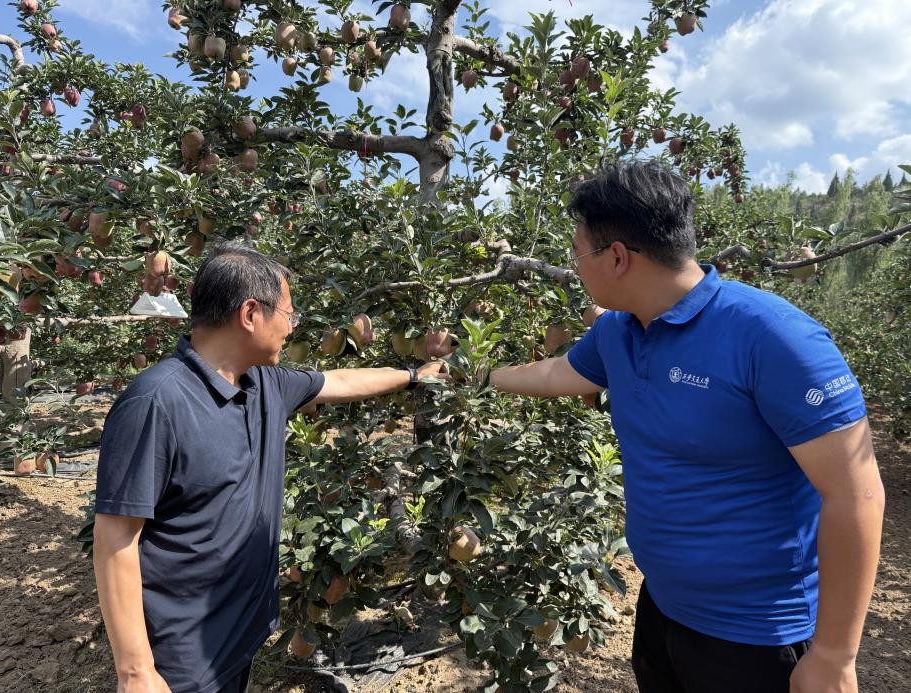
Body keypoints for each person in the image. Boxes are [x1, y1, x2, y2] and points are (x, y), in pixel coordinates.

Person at [488, 160, 884, 693]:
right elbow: (559, 373)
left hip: (759, 635)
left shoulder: (774, 338)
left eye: (579, 253)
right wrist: (477, 374)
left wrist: (835, 656)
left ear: (618, 257)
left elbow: (856, 493)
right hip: (663, 607)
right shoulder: (619, 331)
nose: (576, 268)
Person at [92, 243, 447, 693]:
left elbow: (340, 380)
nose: (292, 326)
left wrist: (415, 376)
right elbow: (115, 537)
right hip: (182, 654)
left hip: (239, 633)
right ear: (250, 314)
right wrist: (136, 672)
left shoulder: (265, 383)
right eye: (288, 314)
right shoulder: (157, 402)